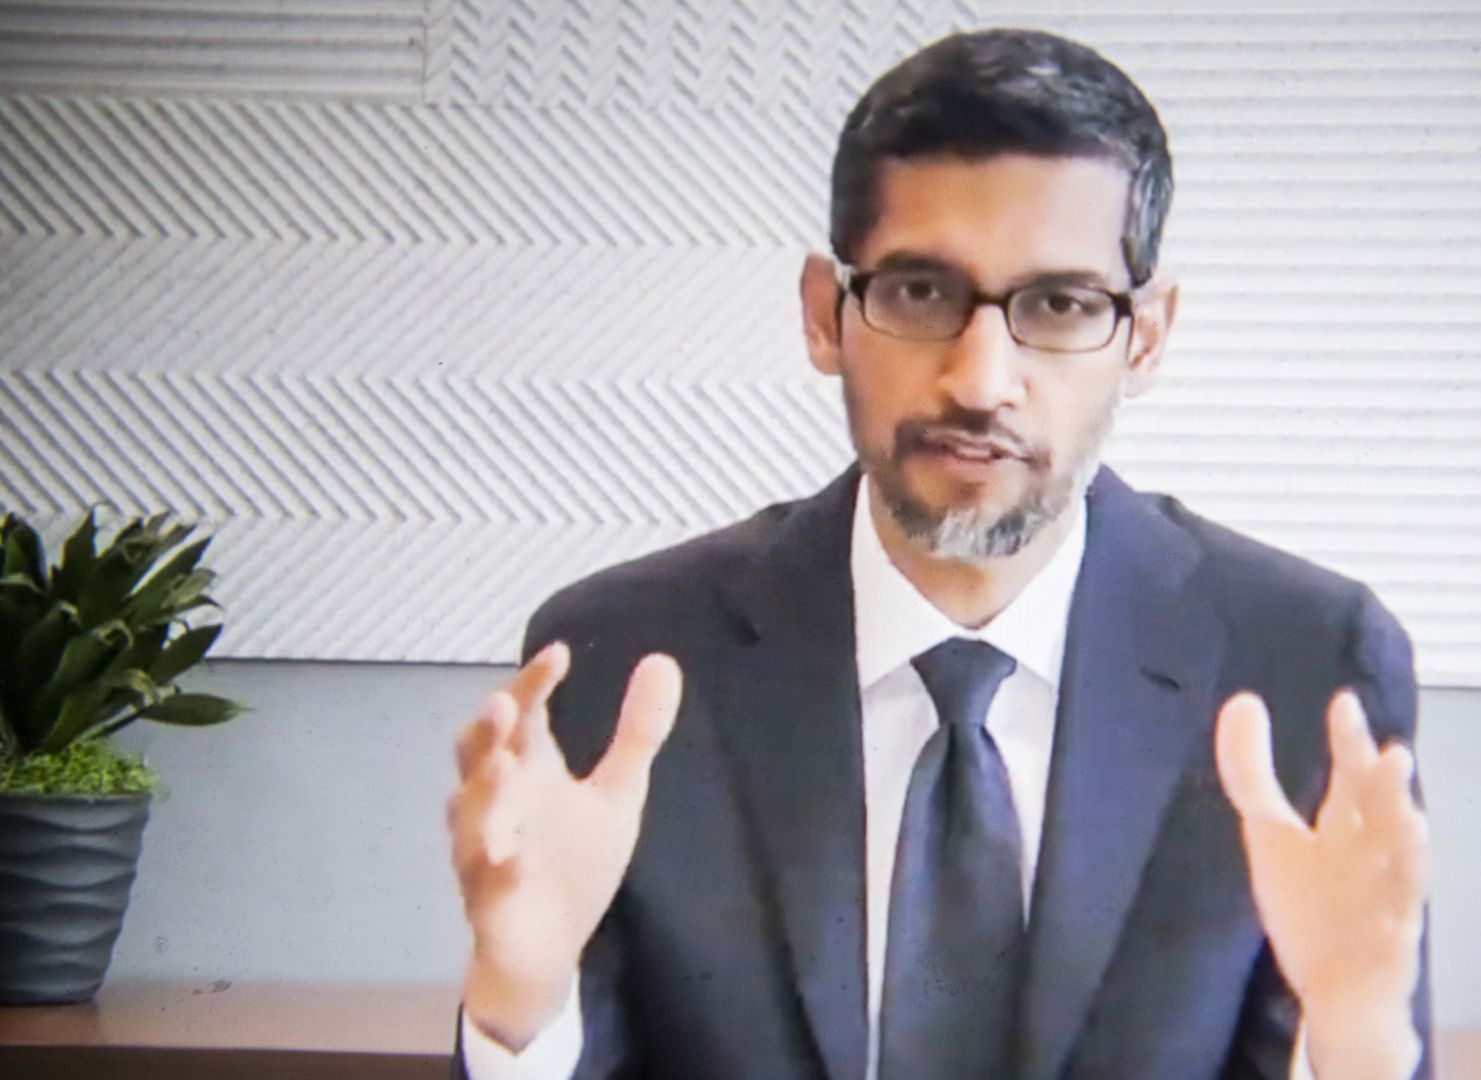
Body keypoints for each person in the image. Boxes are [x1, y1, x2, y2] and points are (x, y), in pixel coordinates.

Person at [445, 27, 1431, 1080]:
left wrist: (1358, 1043)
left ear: (1144, 337)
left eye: (1060, 304)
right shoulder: (626, 659)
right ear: (827, 315)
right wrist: (520, 1009)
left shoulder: (1301, 661)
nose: (981, 379)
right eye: (920, 292)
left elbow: (1349, 1034)